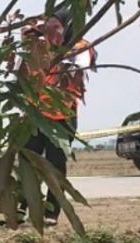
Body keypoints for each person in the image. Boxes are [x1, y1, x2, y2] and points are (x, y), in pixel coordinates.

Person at [18, 9, 96, 226]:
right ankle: (19, 209)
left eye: (56, 28)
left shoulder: (80, 47)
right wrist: (29, 40)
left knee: (55, 165)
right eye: (47, 27)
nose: (51, 33)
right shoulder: (37, 46)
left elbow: (73, 70)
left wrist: (52, 52)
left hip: (62, 116)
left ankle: (51, 213)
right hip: (34, 115)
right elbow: (20, 71)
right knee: (26, 162)